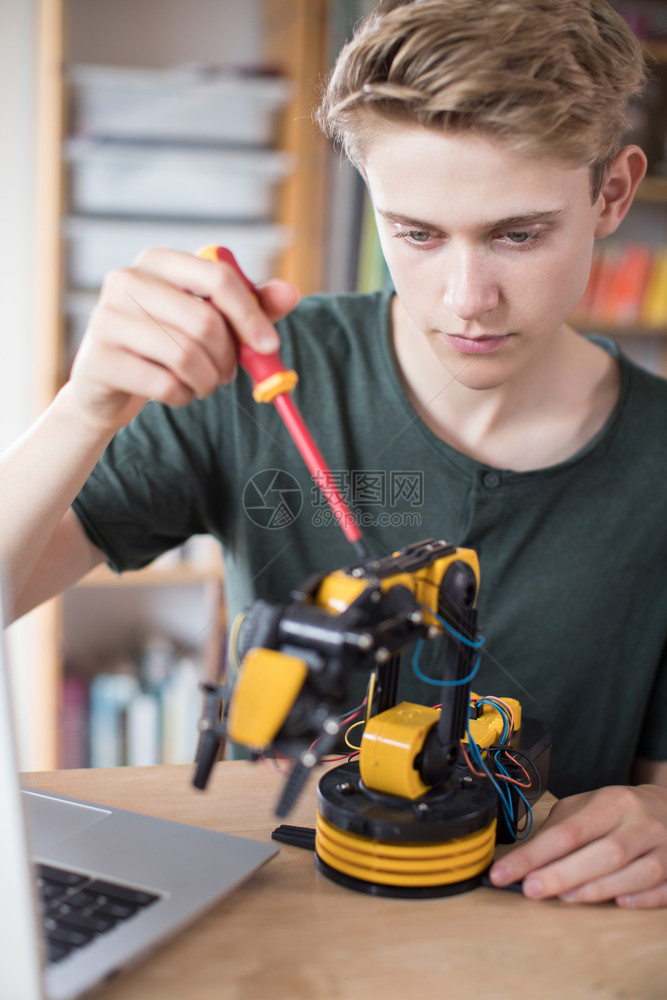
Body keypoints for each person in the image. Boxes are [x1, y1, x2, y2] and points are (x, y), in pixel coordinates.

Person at [2, 0, 667, 906]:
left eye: (517, 234)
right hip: (271, 927)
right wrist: (83, 408)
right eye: (417, 234)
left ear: (612, 195)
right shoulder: (260, 374)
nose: (467, 297)